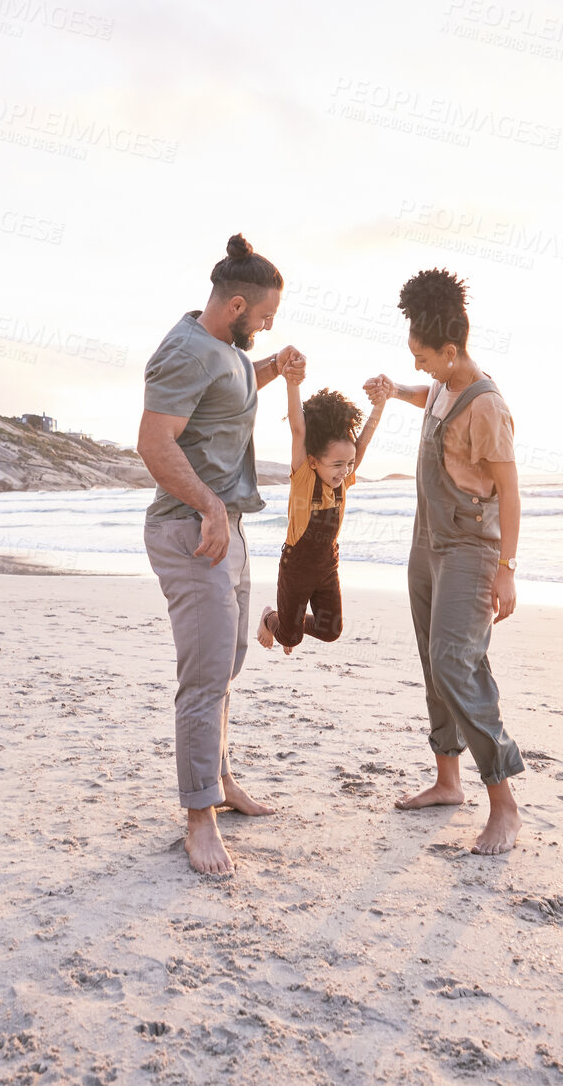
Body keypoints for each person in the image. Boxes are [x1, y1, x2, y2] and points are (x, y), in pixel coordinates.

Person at [137, 233, 305, 877]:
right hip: (191, 529)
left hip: (226, 528)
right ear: (236, 305)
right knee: (205, 677)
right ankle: (199, 817)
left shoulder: (224, 351)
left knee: (227, 663)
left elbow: (227, 393)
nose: (268, 325)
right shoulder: (183, 351)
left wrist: (272, 368)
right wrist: (209, 507)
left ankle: (222, 781)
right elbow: (155, 443)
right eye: (266, 317)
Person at [365, 267, 525, 855]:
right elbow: (427, 398)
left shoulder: (488, 408)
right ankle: (447, 781)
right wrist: (394, 391)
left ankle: (504, 804)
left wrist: (507, 569)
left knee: (455, 661)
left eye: (422, 356)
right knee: (432, 664)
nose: (416, 366)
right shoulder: (442, 384)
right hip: (425, 541)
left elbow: (509, 491)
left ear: (451, 350)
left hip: (469, 548)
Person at [256, 380, 386, 654]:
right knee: (289, 639)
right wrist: (292, 383)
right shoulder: (304, 478)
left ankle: (288, 623)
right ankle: (270, 617)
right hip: (297, 569)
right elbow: (297, 428)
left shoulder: (344, 480)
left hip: (327, 566)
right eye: (337, 465)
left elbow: (363, 440)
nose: (345, 471)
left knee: (331, 631)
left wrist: (380, 403)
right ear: (313, 461)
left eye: (349, 464)